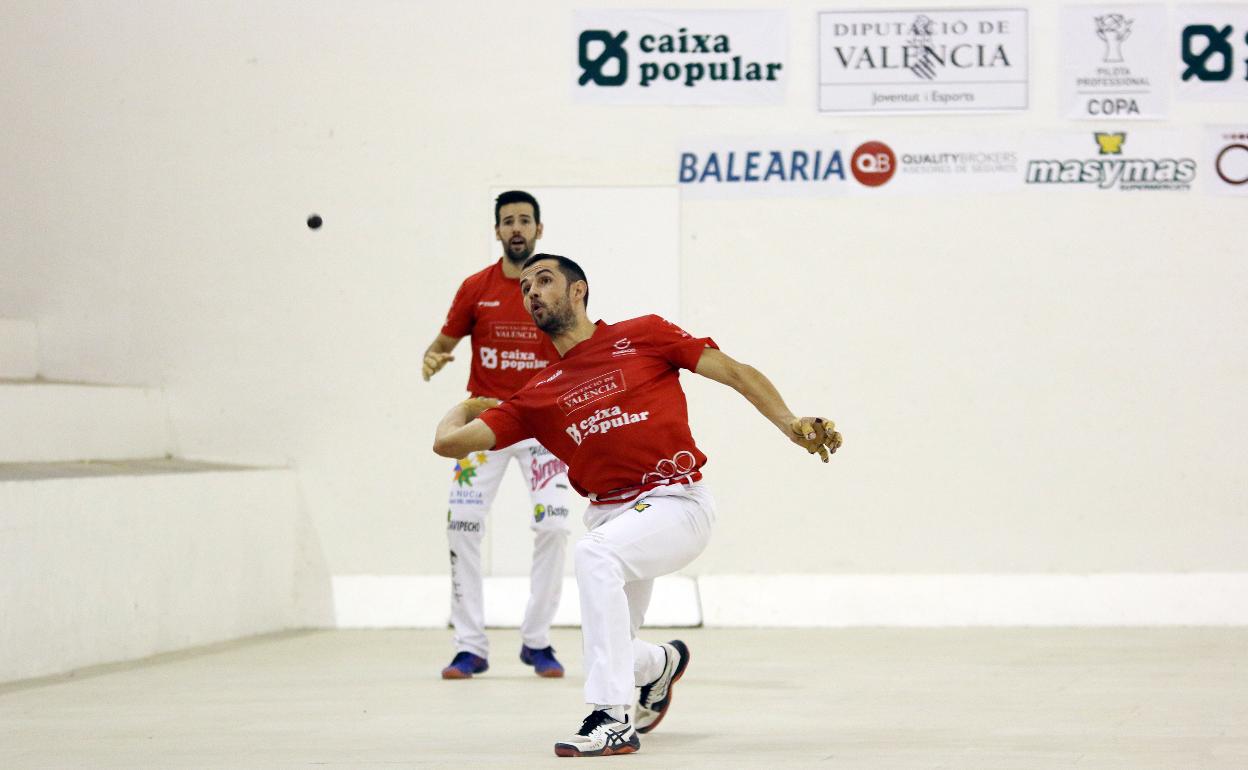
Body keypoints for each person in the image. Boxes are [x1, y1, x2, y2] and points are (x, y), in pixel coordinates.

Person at [432, 253, 843, 756]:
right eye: (525, 289)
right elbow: (449, 444)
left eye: (544, 281)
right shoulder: (536, 395)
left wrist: (790, 423)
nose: (532, 292)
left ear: (578, 291)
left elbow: (734, 372)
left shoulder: (643, 334)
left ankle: (610, 717)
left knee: (594, 556)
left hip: (676, 502)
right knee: (609, 646)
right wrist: (468, 402)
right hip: (613, 515)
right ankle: (662, 664)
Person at [422, 192, 572, 680]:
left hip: (543, 426)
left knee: (553, 527)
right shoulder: (475, 288)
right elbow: (443, 342)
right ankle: (470, 646)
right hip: (484, 426)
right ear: (497, 232)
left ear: (539, 229)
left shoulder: (555, 288)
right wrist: (433, 356)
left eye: (524, 221)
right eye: (508, 221)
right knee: (461, 525)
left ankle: (538, 640)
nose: (517, 228)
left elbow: (579, 343)